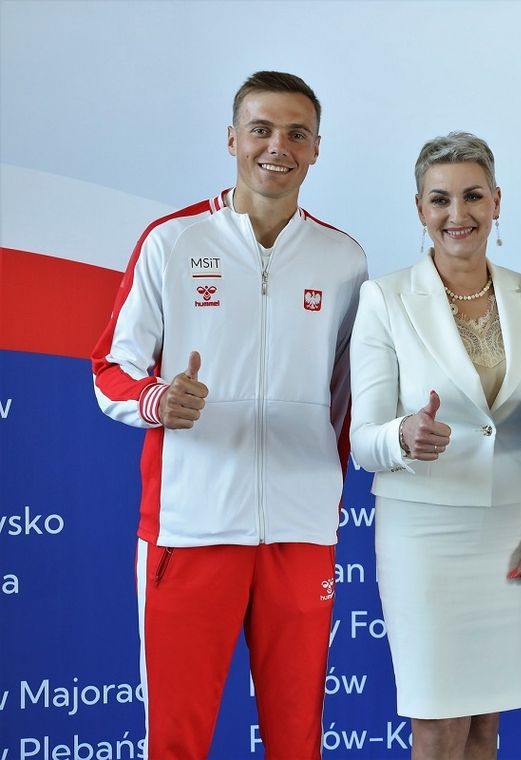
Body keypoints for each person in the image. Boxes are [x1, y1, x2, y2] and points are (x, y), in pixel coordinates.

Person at [91, 71, 367, 758]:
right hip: (192, 526)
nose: (279, 147)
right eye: (262, 130)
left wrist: (327, 494)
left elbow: (349, 402)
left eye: (296, 133)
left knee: (296, 739)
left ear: (316, 148)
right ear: (232, 139)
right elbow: (111, 370)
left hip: (300, 534)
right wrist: (157, 399)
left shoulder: (343, 260)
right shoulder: (173, 242)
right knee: (178, 742)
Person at [349, 132, 521, 760]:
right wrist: (403, 436)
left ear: (497, 202)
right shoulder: (385, 300)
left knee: (483, 726)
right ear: (420, 209)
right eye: (440, 200)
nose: (458, 215)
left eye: (473, 196)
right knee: (437, 723)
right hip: (425, 535)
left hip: (509, 528)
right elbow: (364, 440)